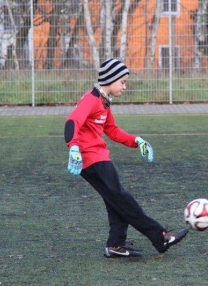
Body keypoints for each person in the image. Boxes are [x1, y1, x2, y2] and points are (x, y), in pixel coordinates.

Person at [64, 58, 189, 258]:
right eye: (122, 81)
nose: (124, 86)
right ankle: (161, 236)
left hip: (97, 157)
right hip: (92, 159)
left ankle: (116, 244)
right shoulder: (91, 98)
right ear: (110, 79)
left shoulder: (103, 101)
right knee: (122, 198)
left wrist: (136, 140)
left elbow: (111, 129)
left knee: (115, 200)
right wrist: (74, 147)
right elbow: (72, 121)